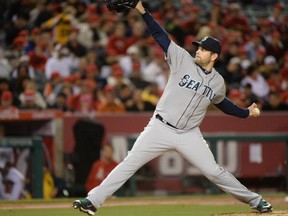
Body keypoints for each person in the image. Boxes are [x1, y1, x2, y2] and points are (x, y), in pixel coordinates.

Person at [73, 1, 272, 215]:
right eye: (199, 47)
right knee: (129, 163)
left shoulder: (217, 82)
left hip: (189, 134)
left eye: (204, 49)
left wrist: (246, 113)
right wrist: (141, 9)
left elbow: (222, 103)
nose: (199, 50)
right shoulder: (182, 59)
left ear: (214, 56)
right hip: (160, 127)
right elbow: (160, 35)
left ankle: (256, 201)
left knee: (214, 172)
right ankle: (93, 201)